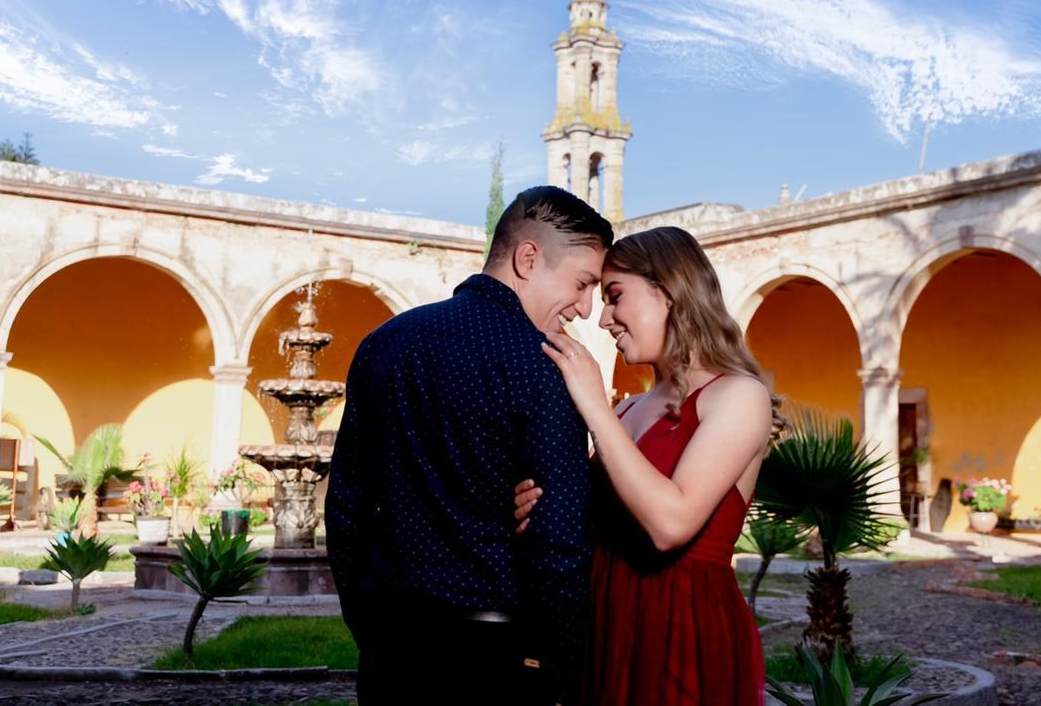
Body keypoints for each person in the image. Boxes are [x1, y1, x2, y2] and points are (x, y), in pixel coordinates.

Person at [325, 185, 614, 705]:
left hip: (388, 651)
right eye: (582, 282)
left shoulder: (382, 343)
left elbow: (345, 505)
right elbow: (559, 544)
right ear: (528, 258)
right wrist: (565, 673)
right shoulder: (544, 366)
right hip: (496, 659)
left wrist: (367, 625)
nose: (587, 308)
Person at [516, 226, 776, 705]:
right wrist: (533, 509)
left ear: (670, 290)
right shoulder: (626, 410)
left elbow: (670, 524)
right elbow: (594, 527)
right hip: (606, 622)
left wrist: (593, 407)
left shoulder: (739, 395)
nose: (603, 319)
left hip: (683, 631)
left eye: (615, 297)